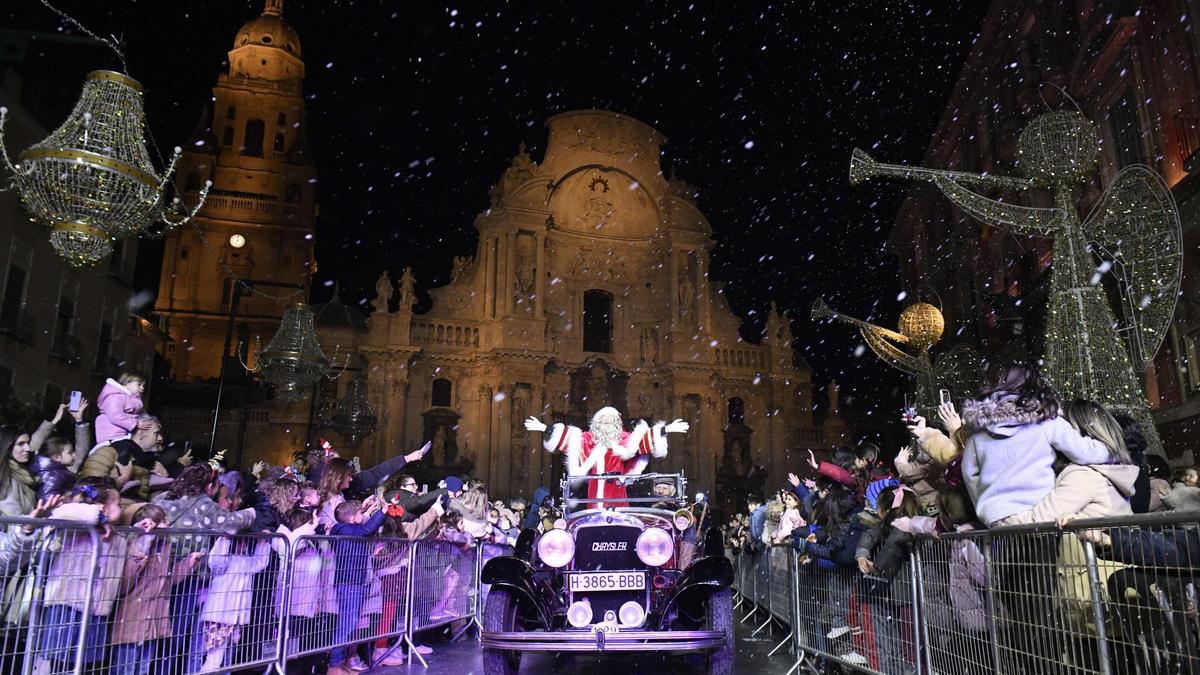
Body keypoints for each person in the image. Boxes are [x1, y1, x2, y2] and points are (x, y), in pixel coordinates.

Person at [959, 363, 1117, 527]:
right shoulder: (1046, 422)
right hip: (1037, 514)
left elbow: (969, 474)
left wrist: (986, 506)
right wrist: (1112, 452)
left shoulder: (979, 432)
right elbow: (1084, 452)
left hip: (996, 518)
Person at [110, 504, 205, 675]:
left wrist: (188, 564)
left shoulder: (164, 549)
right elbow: (124, 583)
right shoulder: (133, 546)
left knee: (143, 669)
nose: (166, 526)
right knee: (125, 669)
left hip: (153, 621)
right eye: (161, 522)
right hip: (133, 619)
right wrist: (143, 546)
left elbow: (168, 580)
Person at [525, 406, 688, 505]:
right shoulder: (588, 439)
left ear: (616, 423)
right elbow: (570, 440)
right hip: (595, 486)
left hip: (618, 486)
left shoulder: (624, 439)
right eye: (604, 420)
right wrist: (544, 428)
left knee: (618, 521)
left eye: (611, 420)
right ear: (598, 423)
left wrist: (665, 430)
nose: (607, 424)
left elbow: (641, 442)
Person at [327, 497, 387, 675]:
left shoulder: (348, 529)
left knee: (350, 623)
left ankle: (341, 661)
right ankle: (334, 665)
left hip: (354, 581)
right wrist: (382, 511)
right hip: (349, 582)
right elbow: (367, 529)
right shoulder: (345, 529)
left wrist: (366, 509)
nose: (363, 515)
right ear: (352, 518)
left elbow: (362, 527)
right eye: (360, 513)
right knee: (346, 624)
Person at [197, 535, 272, 672]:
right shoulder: (224, 561)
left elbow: (260, 562)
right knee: (213, 660)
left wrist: (262, 542)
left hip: (235, 619)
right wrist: (225, 538)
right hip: (219, 618)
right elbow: (216, 562)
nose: (243, 544)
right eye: (241, 540)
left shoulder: (245, 560)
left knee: (228, 660)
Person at [94, 371, 147, 447]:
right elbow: (116, 415)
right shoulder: (115, 396)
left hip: (122, 436)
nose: (142, 388)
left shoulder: (132, 399)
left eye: (143, 386)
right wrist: (135, 423)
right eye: (139, 385)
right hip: (112, 435)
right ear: (127, 383)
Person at [0, 425, 37, 516]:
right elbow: (13, 518)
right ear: (8, 446)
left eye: (28, 443)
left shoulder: (21, 473)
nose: (28, 449)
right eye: (20, 444)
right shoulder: (7, 478)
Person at [33, 437, 81, 501]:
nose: (74, 455)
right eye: (70, 452)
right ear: (57, 457)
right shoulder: (53, 476)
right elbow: (48, 500)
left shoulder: (57, 472)